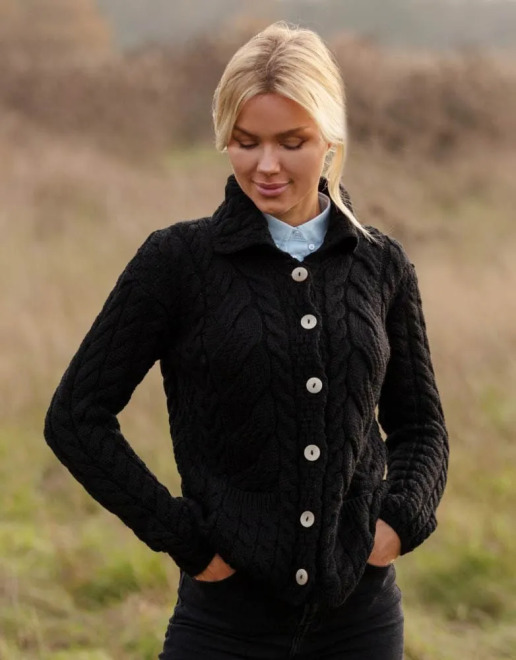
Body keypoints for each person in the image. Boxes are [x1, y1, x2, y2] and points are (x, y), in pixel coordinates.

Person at [43, 21, 449, 660]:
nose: (266, 165)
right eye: (245, 141)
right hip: (223, 625)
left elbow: (420, 426)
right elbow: (75, 417)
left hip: (361, 623)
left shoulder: (380, 263)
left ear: (329, 138)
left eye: (292, 142)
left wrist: (397, 525)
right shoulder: (178, 262)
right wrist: (185, 540)